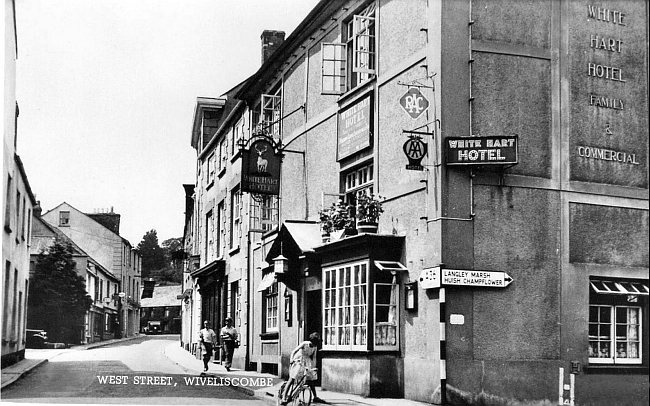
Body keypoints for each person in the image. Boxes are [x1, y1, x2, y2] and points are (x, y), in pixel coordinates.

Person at [281, 332, 324, 404]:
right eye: (313, 343)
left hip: (307, 361)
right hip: (298, 360)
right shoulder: (305, 343)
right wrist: (291, 360)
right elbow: (294, 351)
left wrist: (313, 367)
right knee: (292, 379)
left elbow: (314, 357)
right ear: (311, 341)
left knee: (311, 379)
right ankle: (284, 397)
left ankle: (315, 397)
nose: (314, 345)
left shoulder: (315, 347)